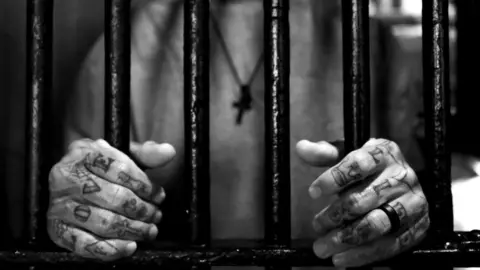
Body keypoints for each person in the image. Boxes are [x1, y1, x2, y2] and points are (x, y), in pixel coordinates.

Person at [46, 0, 429, 268]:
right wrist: (82, 204)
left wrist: (404, 205)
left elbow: (416, 202)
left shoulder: (370, 43)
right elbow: (77, 207)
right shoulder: (129, 41)